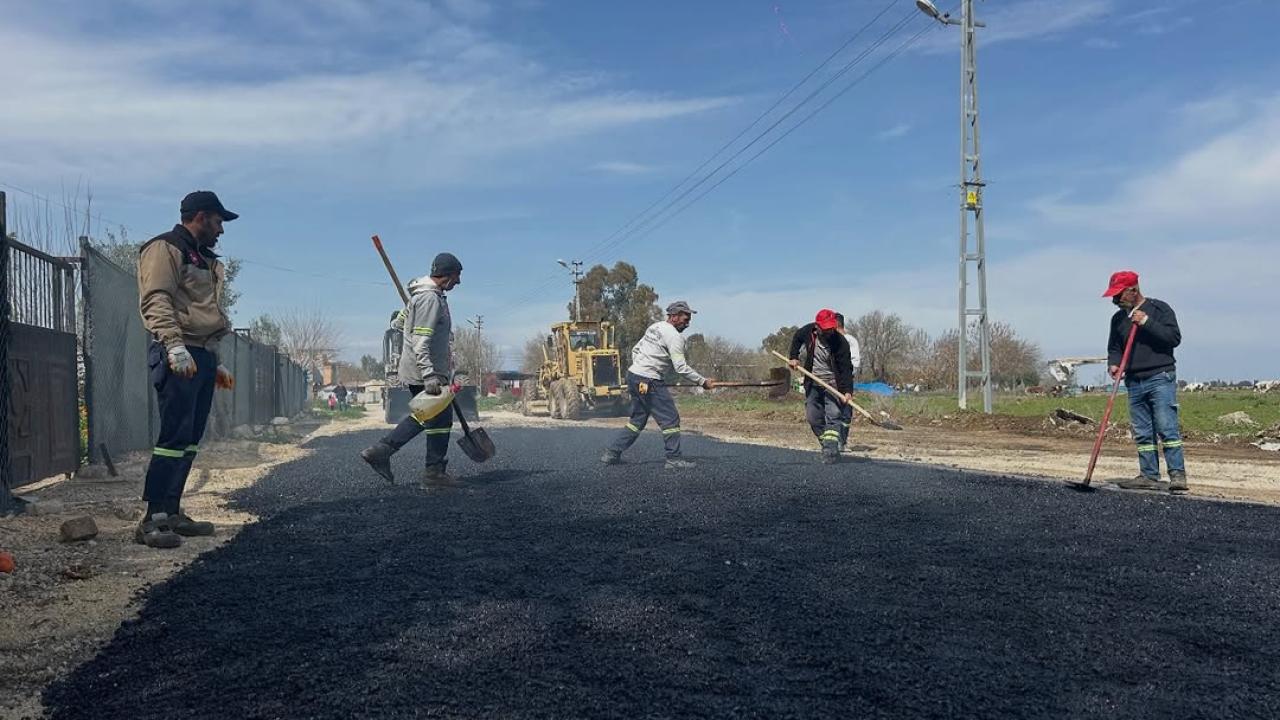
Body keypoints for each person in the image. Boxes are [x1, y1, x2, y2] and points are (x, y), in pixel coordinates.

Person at [134, 191, 238, 548]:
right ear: (201, 216)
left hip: (201, 354)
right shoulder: (166, 248)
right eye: (218, 221)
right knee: (173, 437)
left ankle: (174, 512)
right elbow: (157, 298)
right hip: (177, 351)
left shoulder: (203, 257)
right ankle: (153, 518)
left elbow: (201, 309)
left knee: (190, 438)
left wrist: (215, 357)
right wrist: (174, 345)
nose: (221, 230)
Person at [360, 254, 462, 486]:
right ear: (446, 275)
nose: (458, 282)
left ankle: (430, 470)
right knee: (432, 416)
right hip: (425, 371)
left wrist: (407, 313)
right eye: (457, 276)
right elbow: (420, 342)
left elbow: (398, 324)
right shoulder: (430, 300)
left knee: (437, 418)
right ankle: (387, 452)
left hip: (426, 369)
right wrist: (429, 375)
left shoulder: (424, 297)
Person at [601, 301, 716, 470]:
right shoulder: (675, 337)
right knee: (670, 418)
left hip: (634, 375)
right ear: (674, 316)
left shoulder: (654, 327)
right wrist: (703, 381)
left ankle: (612, 453)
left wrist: (641, 368)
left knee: (638, 420)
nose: (687, 323)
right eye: (685, 319)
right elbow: (680, 367)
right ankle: (673, 458)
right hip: (649, 380)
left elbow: (636, 349)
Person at [1102, 270, 1187, 493]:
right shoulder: (1119, 319)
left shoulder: (1159, 310)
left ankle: (1177, 475)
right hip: (1133, 380)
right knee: (1142, 431)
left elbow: (1173, 338)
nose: (1114, 300)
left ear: (1133, 290)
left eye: (1118, 295)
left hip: (1160, 377)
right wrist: (1114, 363)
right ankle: (1148, 475)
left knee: (1166, 426)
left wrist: (1147, 322)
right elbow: (1114, 348)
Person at [788, 309, 854, 464]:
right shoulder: (808, 332)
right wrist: (793, 357)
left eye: (832, 327)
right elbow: (797, 338)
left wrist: (847, 391)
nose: (830, 331)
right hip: (813, 381)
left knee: (833, 413)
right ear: (817, 327)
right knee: (813, 417)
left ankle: (831, 451)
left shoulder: (840, 342)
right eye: (826, 328)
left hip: (832, 382)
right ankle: (828, 444)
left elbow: (846, 368)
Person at [836, 313, 861, 453]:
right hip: (831, 381)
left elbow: (855, 364)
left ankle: (842, 442)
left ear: (837, 324)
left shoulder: (850, 341)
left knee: (845, 413)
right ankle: (830, 442)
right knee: (831, 411)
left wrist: (845, 382)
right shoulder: (830, 341)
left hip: (845, 382)